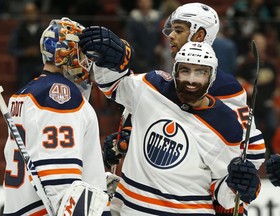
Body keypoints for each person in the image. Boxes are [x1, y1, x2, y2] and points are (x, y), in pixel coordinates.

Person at [100, 3, 266, 215]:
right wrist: (128, 136)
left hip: (193, 200)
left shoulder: (226, 88)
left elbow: (250, 147)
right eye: (185, 70)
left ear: (200, 35)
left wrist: (240, 184)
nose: (170, 35)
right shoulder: (161, 79)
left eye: (179, 30)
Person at [3, 17, 108, 215]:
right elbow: (59, 182)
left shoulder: (25, 93)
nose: (87, 61)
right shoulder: (61, 96)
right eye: (82, 53)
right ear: (65, 54)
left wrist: (94, 180)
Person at [8, 2, 45, 89]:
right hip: (24, 68)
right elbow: (11, 49)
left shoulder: (44, 29)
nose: (31, 15)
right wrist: (25, 52)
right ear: (24, 14)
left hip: (41, 66)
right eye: (28, 12)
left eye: (32, 12)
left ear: (37, 12)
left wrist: (39, 51)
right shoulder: (18, 30)